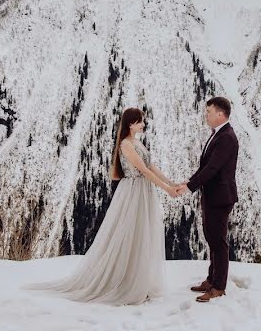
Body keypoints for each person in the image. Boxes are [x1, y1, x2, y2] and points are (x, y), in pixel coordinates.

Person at [25, 107, 178, 305]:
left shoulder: (136, 142)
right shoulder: (126, 145)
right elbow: (144, 171)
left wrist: (172, 183)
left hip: (142, 191)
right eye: (140, 121)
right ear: (131, 124)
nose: (143, 124)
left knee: (141, 233)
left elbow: (151, 166)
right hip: (133, 191)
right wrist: (167, 188)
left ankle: (136, 279)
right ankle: (125, 281)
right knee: (129, 232)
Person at [173, 96, 239, 303]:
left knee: (218, 242)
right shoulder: (218, 134)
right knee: (211, 237)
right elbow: (206, 166)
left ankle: (219, 286)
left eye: (209, 112)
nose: (206, 115)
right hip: (212, 195)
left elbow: (213, 168)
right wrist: (190, 181)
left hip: (220, 197)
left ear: (221, 114)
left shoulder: (226, 137)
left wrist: (189, 187)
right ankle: (212, 279)